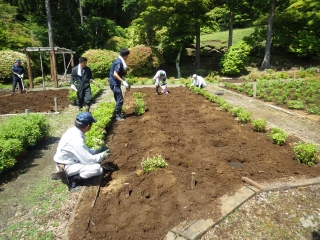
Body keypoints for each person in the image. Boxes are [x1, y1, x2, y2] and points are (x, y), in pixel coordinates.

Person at [54, 112, 113, 190]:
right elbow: (89, 160)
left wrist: (96, 151)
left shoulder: (72, 131)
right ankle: (73, 180)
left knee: (96, 164)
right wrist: (103, 154)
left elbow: (84, 151)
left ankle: (73, 176)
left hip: (69, 160)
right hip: (66, 166)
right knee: (97, 169)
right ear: (88, 126)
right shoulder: (76, 140)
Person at [109, 48, 131, 121]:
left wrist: (124, 81)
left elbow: (120, 74)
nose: (127, 57)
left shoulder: (120, 61)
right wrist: (123, 81)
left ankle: (119, 113)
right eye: (127, 56)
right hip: (114, 83)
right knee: (120, 98)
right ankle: (117, 115)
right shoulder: (119, 62)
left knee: (118, 98)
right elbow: (115, 74)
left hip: (115, 83)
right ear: (125, 55)